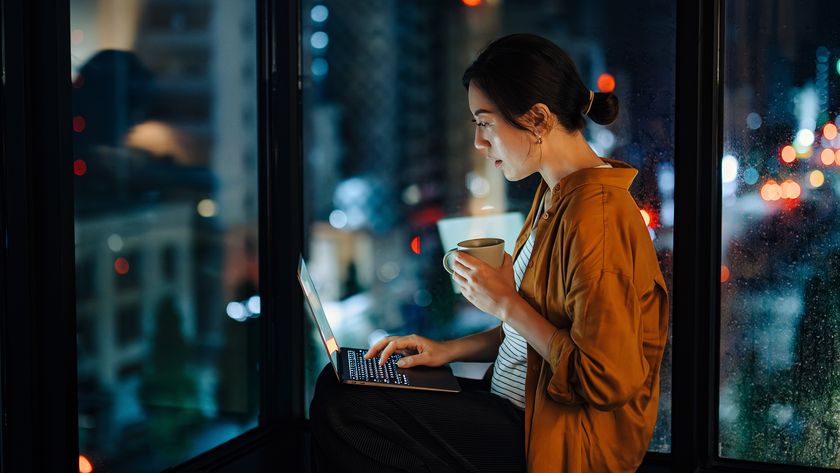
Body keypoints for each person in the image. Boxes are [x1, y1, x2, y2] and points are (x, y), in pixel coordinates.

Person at [309, 33, 670, 473]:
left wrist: (505, 303)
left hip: (554, 438)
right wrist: (447, 351)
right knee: (342, 380)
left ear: (537, 118)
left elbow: (606, 380)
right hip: (517, 404)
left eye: (485, 122)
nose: (480, 142)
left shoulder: (596, 217)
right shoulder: (556, 195)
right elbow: (538, 333)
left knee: (347, 406)